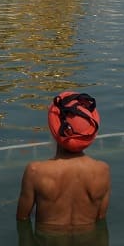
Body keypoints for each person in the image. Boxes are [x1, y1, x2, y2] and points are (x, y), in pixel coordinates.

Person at [16, 92, 110, 232]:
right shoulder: (103, 171)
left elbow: (22, 219)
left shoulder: (35, 172)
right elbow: (101, 218)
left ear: (54, 130)